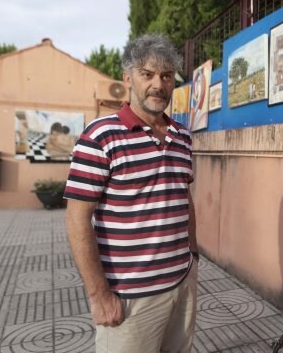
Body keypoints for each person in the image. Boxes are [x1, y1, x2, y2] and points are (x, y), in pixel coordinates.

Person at [64, 33, 199, 353]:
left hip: (182, 284)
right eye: (147, 74)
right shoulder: (100, 136)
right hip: (129, 297)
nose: (159, 84)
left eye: (166, 76)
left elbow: (184, 197)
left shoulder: (183, 136)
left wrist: (193, 257)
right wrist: (99, 296)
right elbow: (76, 218)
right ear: (128, 78)